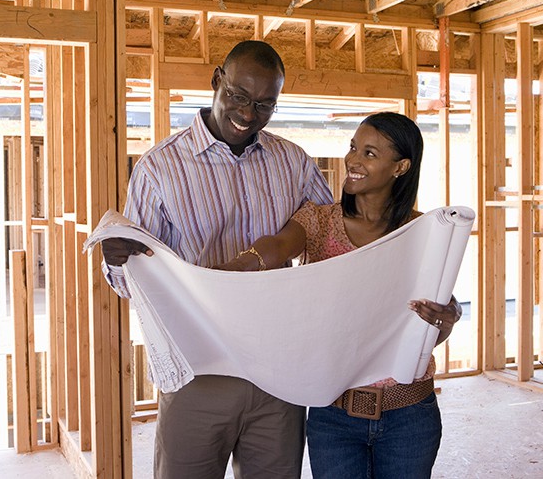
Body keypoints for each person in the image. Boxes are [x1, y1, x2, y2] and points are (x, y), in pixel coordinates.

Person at [100, 40, 334, 478]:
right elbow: (133, 284)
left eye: (265, 105)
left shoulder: (294, 163)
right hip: (197, 371)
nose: (248, 114)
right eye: (239, 97)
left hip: (277, 371)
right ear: (216, 80)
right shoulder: (159, 169)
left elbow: (331, 236)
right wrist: (118, 261)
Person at [217, 112, 462, 479]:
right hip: (334, 415)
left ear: (401, 167)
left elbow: (441, 309)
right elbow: (279, 245)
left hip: (409, 415)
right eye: (352, 147)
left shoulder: (422, 231)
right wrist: (237, 269)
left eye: (369, 153)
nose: (353, 161)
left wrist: (448, 317)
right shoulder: (319, 221)